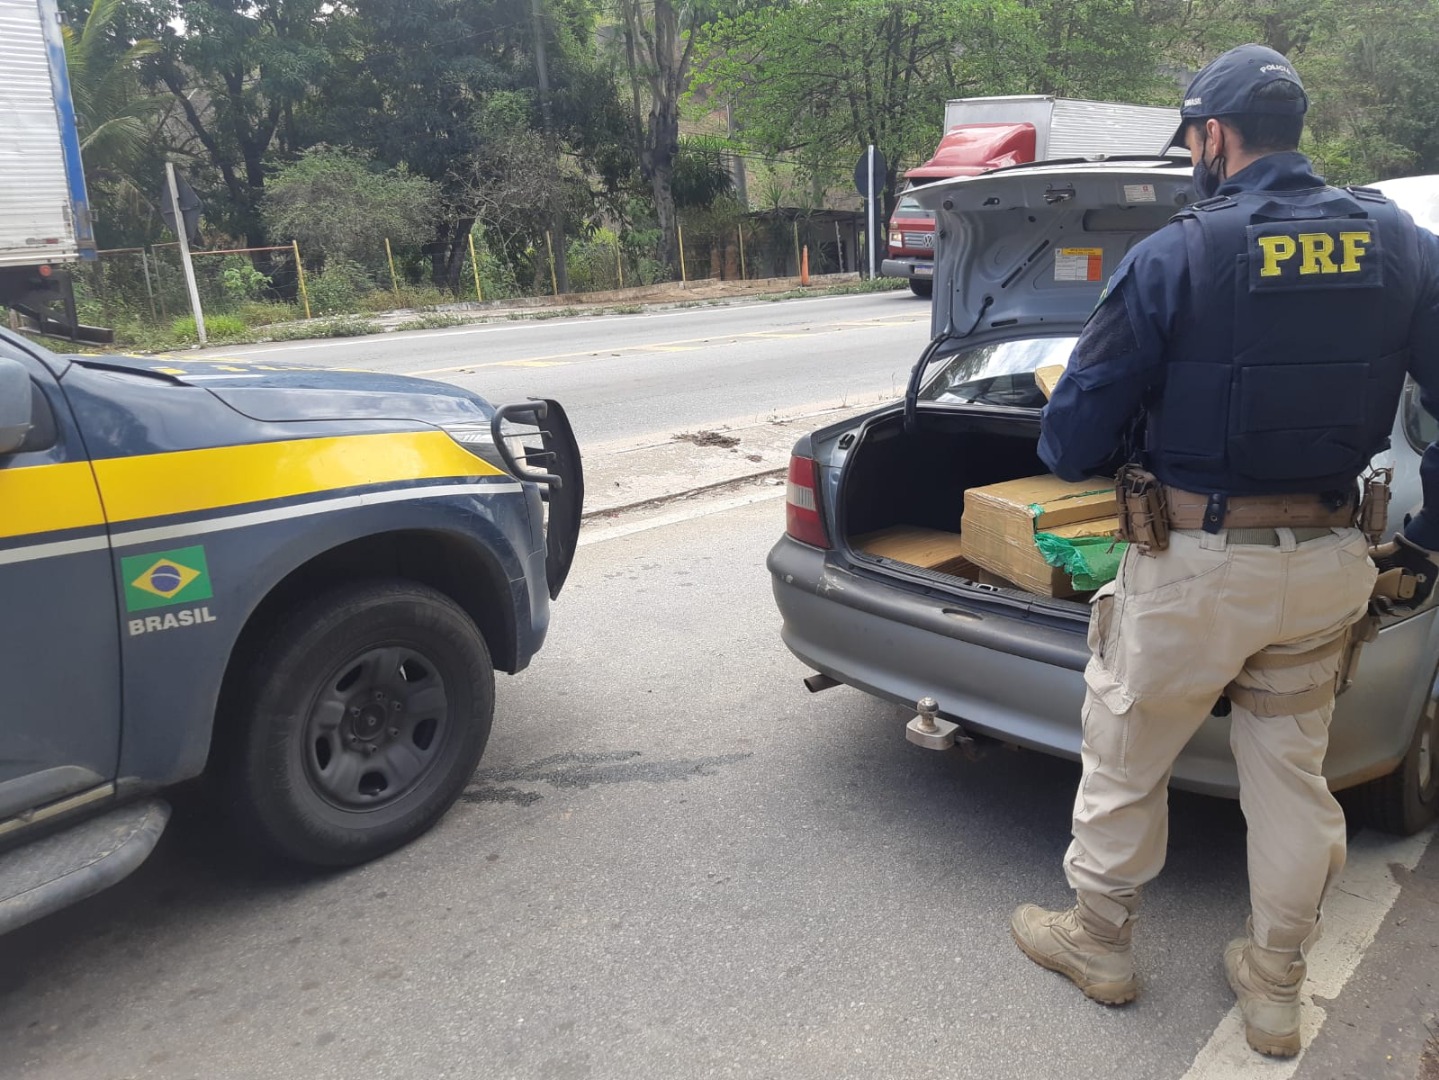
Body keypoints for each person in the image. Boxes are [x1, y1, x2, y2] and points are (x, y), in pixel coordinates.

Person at [1009, 43, 1439, 1058]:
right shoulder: (1402, 246)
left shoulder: (1177, 253)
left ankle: (1099, 940)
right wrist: (1422, 542)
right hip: (1331, 559)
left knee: (1126, 749)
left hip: (1196, 566)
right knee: (1290, 776)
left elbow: (1068, 442)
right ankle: (1274, 986)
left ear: (1211, 137)